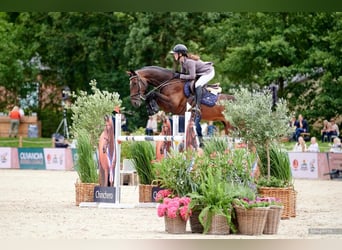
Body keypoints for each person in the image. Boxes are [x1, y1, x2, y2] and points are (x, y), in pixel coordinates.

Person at [170, 44, 215, 114]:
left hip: (208, 72)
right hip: (200, 73)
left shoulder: (189, 62)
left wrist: (180, 76)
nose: (174, 55)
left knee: (197, 84)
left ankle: (198, 106)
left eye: (175, 53)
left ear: (180, 54)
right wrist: (178, 76)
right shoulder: (182, 61)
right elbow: (183, 74)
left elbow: (192, 76)